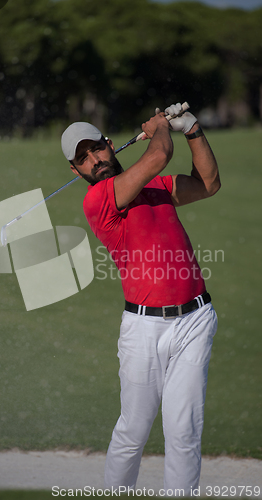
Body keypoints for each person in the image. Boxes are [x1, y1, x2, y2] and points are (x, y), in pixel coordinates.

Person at [61, 103, 220, 496]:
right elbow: (160, 154)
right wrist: (161, 127)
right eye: (83, 158)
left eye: (96, 148)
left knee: (184, 431)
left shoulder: (158, 188)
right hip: (143, 329)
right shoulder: (98, 201)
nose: (95, 160)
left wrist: (193, 129)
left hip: (195, 321)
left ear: (110, 145)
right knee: (133, 431)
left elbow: (209, 184)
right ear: (76, 171)